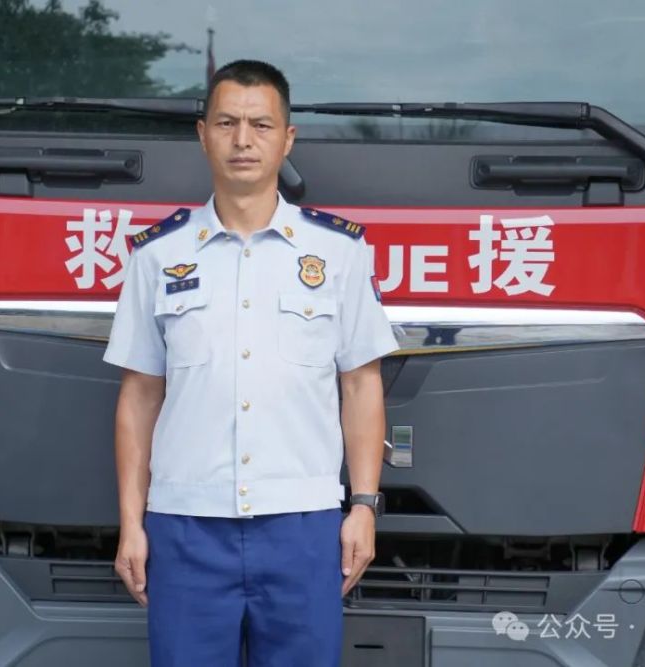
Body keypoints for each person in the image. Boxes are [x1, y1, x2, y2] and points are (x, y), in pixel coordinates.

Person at [103, 59, 399, 667]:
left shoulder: (337, 252)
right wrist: (132, 523)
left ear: (287, 138)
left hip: (302, 526)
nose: (243, 140)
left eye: (261, 125)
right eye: (227, 123)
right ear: (202, 134)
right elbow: (139, 396)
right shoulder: (157, 256)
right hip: (186, 527)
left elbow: (361, 385)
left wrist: (364, 507)